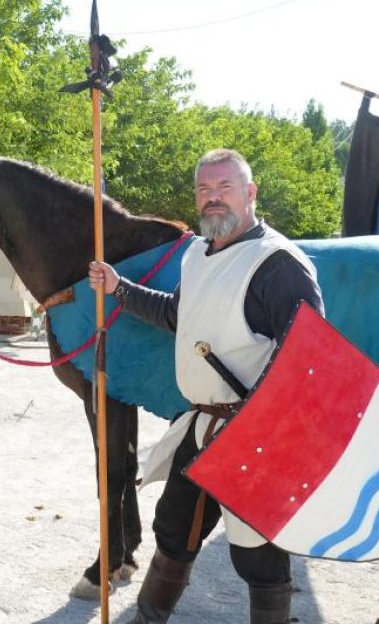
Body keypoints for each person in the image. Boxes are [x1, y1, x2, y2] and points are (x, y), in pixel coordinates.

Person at [88, 149, 323, 624]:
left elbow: (310, 358)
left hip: (255, 437)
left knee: (257, 552)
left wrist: (262, 426)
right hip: (201, 428)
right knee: (174, 528)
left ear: (250, 193)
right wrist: (119, 289)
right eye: (204, 189)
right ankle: (148, 617)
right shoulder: (197, 253)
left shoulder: (277, 264)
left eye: (225, 188)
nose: (213, 199)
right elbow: (179, 315)